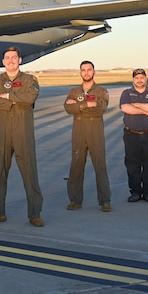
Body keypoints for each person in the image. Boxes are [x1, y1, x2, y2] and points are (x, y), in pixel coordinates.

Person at [0, 46, 45, 227]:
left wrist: (9, 96)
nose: (10, 61)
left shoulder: (29, 79)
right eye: (7, 58)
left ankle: (34, 213)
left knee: (29, 171)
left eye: (14, 57)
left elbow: (30, 97)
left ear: (20, 60)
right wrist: (16, 99)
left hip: (23, 130)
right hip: (2, 131)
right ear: (3, 61)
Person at [63, 60, 112, 212]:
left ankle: (105, 201)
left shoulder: (101, 91)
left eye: (89, 70)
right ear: (80, 72)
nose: (86, 72)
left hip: (95, 128)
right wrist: (86, 104)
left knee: (99, 164)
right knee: (76, 165)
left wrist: (78, 106)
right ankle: (75, 200)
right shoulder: (73, 91)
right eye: (83, 70)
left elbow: (100, 109)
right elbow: (68, 108)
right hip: (78, 129)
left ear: (94, 72)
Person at [120, 68, 148, 203]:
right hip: (131, 134)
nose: (139, 80)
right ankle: (136, 192)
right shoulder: (126, 93)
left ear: (146, 78)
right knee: (132, 164)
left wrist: (136, 105)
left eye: (142, 77)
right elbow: (126, 108)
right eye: (137, 77)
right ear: (133, 79)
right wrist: (145, 109)